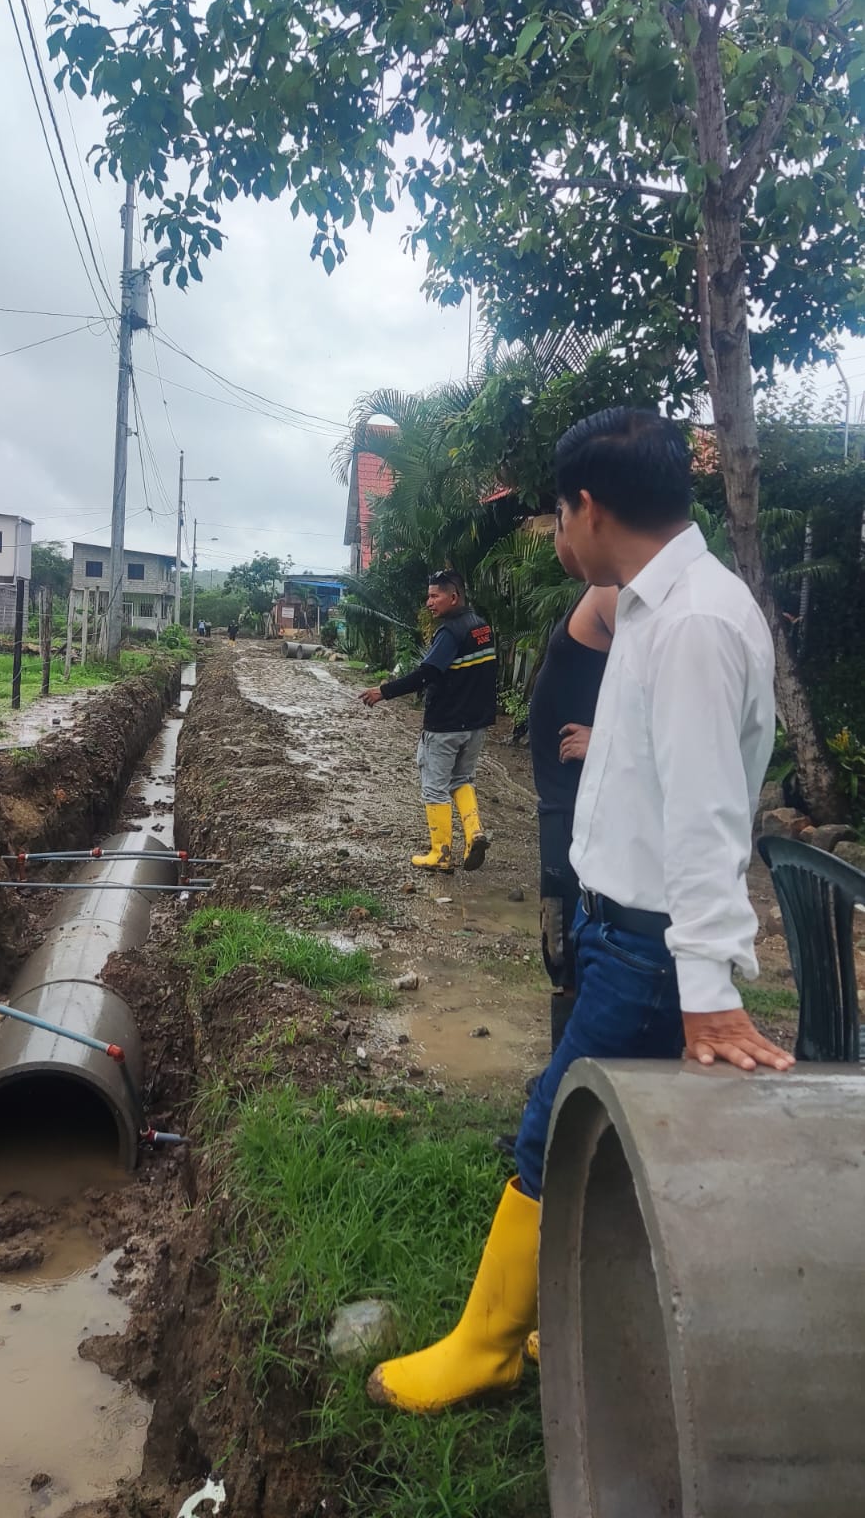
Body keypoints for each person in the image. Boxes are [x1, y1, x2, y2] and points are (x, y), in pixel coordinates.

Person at [367, 406, 793, 1415]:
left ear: (589, 508)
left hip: (648, 947)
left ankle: (487, 1349)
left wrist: (707, 990)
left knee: (555, 1132)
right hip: (615, 927)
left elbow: (707, 817)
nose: (556, 534)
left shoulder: (691, 623)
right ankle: (573, 1312)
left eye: (558, 515)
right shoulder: (652, 605)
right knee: (593, 1136)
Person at [529, 530, 616, 1051]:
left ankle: (572, 1070)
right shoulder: (601, 587)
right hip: (563, 799)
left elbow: (657, 689)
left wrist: (605, 738)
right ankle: (566, 1066)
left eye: (561, 517)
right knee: (561, 941)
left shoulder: (617, 593)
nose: (558, 534)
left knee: (569, 938)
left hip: (578, 800)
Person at [360, 569, 496, 872]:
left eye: (435, 596)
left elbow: (427, 674)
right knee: (462, 779)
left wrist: (384, 691)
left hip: (446, 725)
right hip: (476, 724)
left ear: (454, 597)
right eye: (429, 596)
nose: (429, 602)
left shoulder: (450, 632)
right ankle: (474, 833)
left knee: (435, 788)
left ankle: (440, 853)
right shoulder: (482, 627)